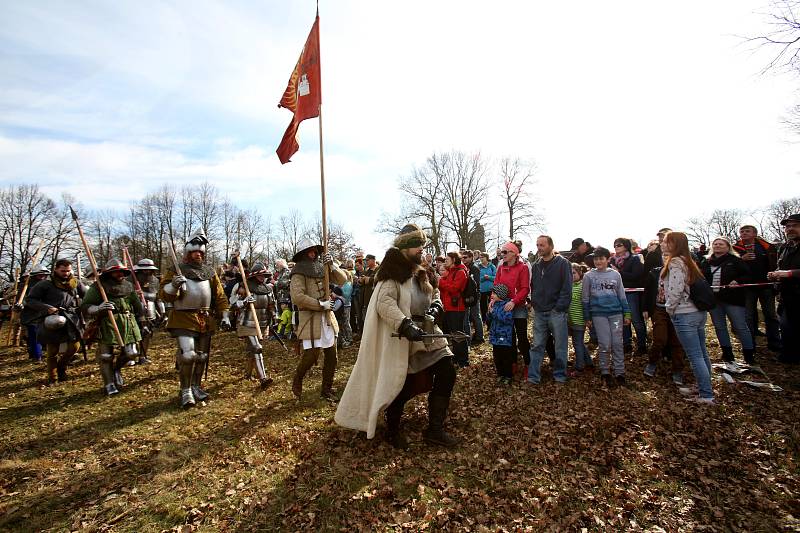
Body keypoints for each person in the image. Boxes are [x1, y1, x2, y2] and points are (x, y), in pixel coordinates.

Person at [335, 223, 459, 449]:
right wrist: (404, 324)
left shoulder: (423, 270)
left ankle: (435, 429)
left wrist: (436, 306)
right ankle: (393, 429)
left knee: (447, 370)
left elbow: (436, 291)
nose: (421, 250)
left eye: (422, 246)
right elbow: (384, 303)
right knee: (402, 384)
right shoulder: (391, 273)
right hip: (405, 337)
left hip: (430, 333)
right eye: (417, 246)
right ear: (405, 248)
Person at [160, 231, 231, 408]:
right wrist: (173, 285)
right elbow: (164, 295)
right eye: (194, 252)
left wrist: (225, 315)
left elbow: (219, 296)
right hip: (183, 317)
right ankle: (185, 391)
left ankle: (196, 386)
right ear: (188, 253)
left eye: (200, 252)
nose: (198, 255)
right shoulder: (175, 271)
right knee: (188, 355)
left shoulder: (210, 272)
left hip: (205, 317)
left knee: (202, 356)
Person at [290, 239, 347, 401]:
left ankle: (326, 389)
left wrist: (333, 265)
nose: (314, 254)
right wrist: (320, 304)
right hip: (311, 318)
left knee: (332, 356)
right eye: (310, 251)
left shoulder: (323, 267)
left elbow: (343, 281)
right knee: (311, 356)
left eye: (315, 251)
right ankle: (298, 377)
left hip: (328, 318)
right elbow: (297, 297)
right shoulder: (298, 272)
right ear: (303, 254)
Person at [661, 231, 714, 404]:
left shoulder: (676, 262)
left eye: (666, 241)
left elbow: (675, 289)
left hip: (684, 313)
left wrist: (669, 308)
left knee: (695, 355)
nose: (662, 243)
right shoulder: (688, 260)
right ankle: (703, 386)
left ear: (674, 244)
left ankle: (706, 394)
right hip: (697, 312)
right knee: (701, 352)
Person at [82, 259, 144, 396]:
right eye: (116, 272)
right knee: (106, 356)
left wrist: (142, 320)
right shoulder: (99, 286)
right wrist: (98, 308)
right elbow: (85, 306)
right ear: (109, 273)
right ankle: (109, 383)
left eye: (121, 271)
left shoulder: (128, 285)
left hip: (128, 321)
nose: (119, 274)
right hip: (107, 322)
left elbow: (137, 305)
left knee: (132, 353)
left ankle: (116, 369)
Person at [24, 258, 86, 384]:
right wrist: (47, 308)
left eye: (68, 271)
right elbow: (30, 300)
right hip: (53, 319)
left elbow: (87, 296)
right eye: (63, 271)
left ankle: (62, 367)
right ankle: (53, 377)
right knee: (52, 351)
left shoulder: (75, 282)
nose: (66, 273)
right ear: (56, 269)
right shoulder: (45, 284)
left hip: (71, 318)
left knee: (75, 346)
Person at [701, 237, 755, 364]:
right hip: (714, 300)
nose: (718, 246)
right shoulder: (706, 261)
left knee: (740, 326)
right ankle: (727, 353)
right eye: (715, 244)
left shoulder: (735, 260)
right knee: (719, 326)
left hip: (733, 299)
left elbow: (748, 275)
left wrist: (738, 281)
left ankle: (749, 354)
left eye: (721, 244)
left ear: (727, 247)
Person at [582, 247, 631, 387]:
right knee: (604, 343)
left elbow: (622, 295)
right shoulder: (588, 276)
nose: (598, 261)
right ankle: (605, 371)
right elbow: (585, 298)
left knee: (617, 343)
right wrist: (587, 317)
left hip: (616, 313)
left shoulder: (615, 275)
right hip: (598, 314)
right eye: (596, 259)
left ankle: (620, 372)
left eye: (601, 258)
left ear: (607, 259)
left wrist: (627, 313)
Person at [527, 236, 572, 384]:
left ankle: (560, 374)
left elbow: (567, 288)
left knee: (560, 346)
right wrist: (534, 302)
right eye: (537, 245)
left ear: (551, 246)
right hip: (540, 311)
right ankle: (533, 376)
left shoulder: (563, 263)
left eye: (542, 245)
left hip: (556, 311)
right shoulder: (536, 265)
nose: (539, 248)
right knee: (537, 345)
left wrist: (559, 307)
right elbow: (533, 286)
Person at [735, 225, 781, 351]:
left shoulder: (767, 246)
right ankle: (750, 345)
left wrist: (775, 280)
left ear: (755, 234)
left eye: (747, 231)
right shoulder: (735, 248)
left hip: (766, 286)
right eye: (742, 231)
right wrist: (741, 259)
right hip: (747, 287)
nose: (744, 233)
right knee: (748, 316)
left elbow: (776, 263)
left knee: (770, 315)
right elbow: (730, 264)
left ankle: (775, 343)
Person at [642, 253, 686, 385]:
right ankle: (652, 362)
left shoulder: (683, 270)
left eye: (670, 255)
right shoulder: (655, 272)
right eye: (665, 255)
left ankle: (677, 369)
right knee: (660, 339)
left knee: (677, 341)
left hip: (678, 310)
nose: (667, 257)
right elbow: (647, 291)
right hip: (659, 309)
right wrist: (645, 308)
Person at [231, 262, 276, 389]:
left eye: (264, 275)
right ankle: (263, 378)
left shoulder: (268, 289)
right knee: (257, 347)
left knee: (253, 350)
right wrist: (244, 301)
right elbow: (233, 305)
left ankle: (247, 374)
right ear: (254, 276)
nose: (262, 278)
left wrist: (274, 317)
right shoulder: (245, 287)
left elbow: (271, 305)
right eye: (260, 275)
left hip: (262, 324)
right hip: (247, 323)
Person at [493, 241, 531, 373]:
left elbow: (525, 288)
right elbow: (496, 284)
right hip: (503, 306)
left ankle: (528, 364)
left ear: (514, 253)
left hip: (518, 305)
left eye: (505, 252)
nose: (502, 254)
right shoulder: (500, 267)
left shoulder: (523, 267)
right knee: (509, 336)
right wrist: (494, 299)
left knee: (522, 337)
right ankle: (512, 362)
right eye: (501, 252)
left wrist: (514, 301)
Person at [768, 214, 800, 364]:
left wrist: (789, 274)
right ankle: (789, 356)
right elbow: (780, 268)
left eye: (795, 225)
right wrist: (775, 275)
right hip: (787, 296)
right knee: (787, 328)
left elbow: (788, 272)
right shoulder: (784, 247)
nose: (790, 229)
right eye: (788, 226)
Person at [610, 237, 647, 355]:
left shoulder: (634, 259)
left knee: (636, 319)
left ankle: (642, 345)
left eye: (619, 245)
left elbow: (637, 275)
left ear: (626, 246)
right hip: (617, 294)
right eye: (615, 245)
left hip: (632, 293)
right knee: (623, 321)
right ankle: (627, 344)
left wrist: (619, 272)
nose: (616, 247)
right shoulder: (612, 260)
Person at [438, 251, 470, 367]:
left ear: (454, 260)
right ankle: (456, 358)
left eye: (447, 259)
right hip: (449, 307)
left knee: (459, 334)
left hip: (457, 308)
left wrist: (441, 282)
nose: (445, 261)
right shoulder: (451, 272)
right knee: (453, 334)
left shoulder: (460, 272)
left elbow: (454, 288)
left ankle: (463, 360)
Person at [18, 265, 50, 362]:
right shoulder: (26, 285)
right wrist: (20, 304)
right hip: (31, 314)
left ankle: (34, 354)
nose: (42, 276)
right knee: (34, 335)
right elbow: (22, 299)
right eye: (40, 275)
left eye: (43, 275)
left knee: (41, 335)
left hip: (44, 313)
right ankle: (37, 356)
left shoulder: (47, 284)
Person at [133, 258, 161, 365]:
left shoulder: (155, 280)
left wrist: (161, 312)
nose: (147, 271)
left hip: (150, 309)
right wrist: (134, 293)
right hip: (135, 309)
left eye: (149, 270)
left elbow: (157, 297)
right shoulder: (131, 279)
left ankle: (143, 355)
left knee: (147, 333)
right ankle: (132, 355)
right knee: (134, 333)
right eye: (144, 270)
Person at [568, 263, 592, 375]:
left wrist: (588, 318)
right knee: (579, 343)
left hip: (579, 320)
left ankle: (579, 367)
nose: (571, 275)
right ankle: (589, 362)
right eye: (569, 273)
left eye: (573, 273)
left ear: (579, 273)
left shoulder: (583, 286)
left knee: (577, 343)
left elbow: (587, 303)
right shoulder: (567, 286)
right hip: (570, 320)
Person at [488, 283, 515, 385]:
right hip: (495, 337)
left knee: (506, 358)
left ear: (501, 294)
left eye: (494, 293)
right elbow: (489, 320)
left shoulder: (507, 305)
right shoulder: (493, 304)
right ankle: (500, 374)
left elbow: (506, 319)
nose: (492, 295)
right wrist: (489, 312)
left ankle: (508, 375)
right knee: (497, 357)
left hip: (504, 337)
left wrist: (493, 312)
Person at [460, 250, 483, 345]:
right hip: (465, 296)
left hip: (473, 296)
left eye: (465, 257)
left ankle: (479, 337)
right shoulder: (464, 267)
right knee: (466, 318)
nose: (463, 259)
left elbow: (476, 284)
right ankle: (468, 339)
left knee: (476, 316)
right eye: (462, 258)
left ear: (471, 257)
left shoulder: (474, 268)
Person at [478, 252, 496, 323]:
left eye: (483, 257)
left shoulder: (492, 266)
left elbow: (496, 277)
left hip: (491, 290)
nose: (481, 259)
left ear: (487, 258)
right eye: (480, 257)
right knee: (483, 306)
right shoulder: (478, 267)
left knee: (491, 305)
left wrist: (489, 277)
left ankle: (492, 319)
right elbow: (477, 278)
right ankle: (484, 320)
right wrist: (483, 278)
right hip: (482, 290)